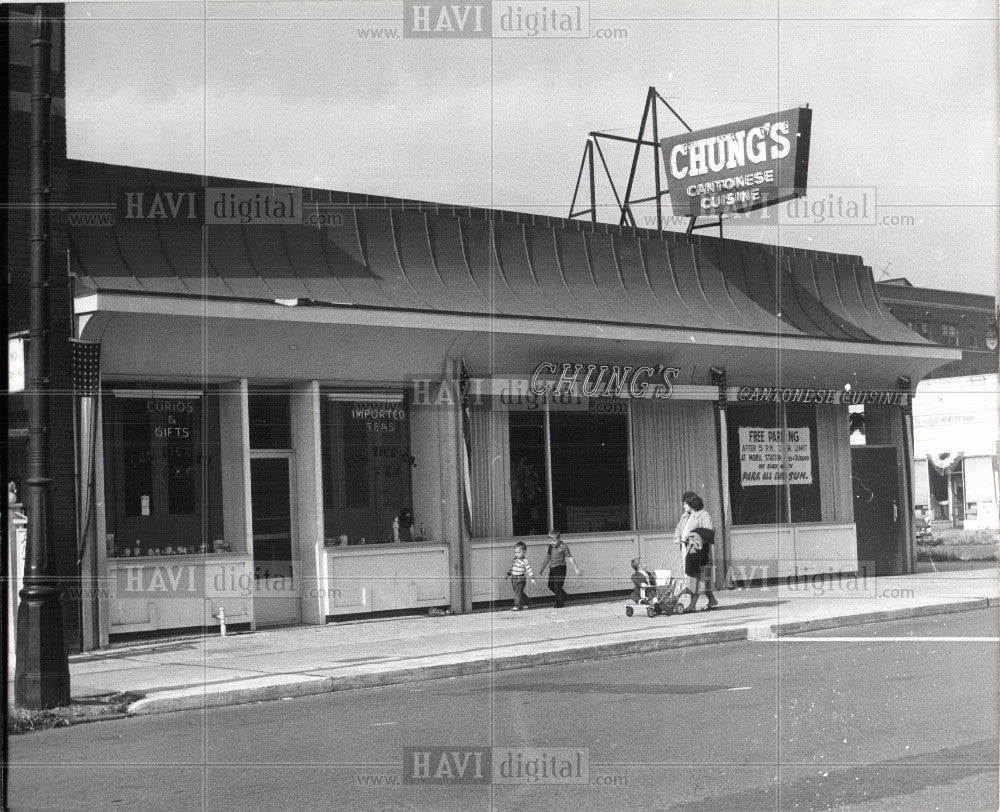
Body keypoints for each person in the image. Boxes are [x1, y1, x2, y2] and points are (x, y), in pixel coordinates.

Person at [673, 491, 719, 611]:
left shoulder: (703, 515)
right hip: (686, 550)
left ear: (690, 503)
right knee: (698, 578)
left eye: (685, 504)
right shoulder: (685, 516)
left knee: (695, 577)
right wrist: (677, 537)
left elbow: (708, 532)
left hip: (698, 551)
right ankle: (712, 600)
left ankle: (692, 605)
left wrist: (693, 537)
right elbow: (679, 529)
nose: (684, 506)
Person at [539, 531, 581, 608]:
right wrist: (542, 568)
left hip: (560, 568)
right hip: (552, 568)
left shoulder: (564, 546)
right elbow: (548, 557)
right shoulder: (550, 547)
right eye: (550, 541)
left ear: (559, 539)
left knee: (557, 586)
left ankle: (559, 603)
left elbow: (570, 558)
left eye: (554, 541)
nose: (552, 543)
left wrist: (576, 569)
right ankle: (563, 595)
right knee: (550, 585)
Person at [504, 541, 536, 611]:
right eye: (515, 552)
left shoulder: (525, 561)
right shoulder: (515, 559)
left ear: (524, 552)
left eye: (518, 553)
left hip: (520, 579)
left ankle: (517, 606)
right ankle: (528, 602)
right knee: (519, 592)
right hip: (514, 578)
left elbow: (529, 569)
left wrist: (532, 578)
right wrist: (508, 574)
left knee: (517, 593)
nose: (516, 554)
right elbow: (513, 568)